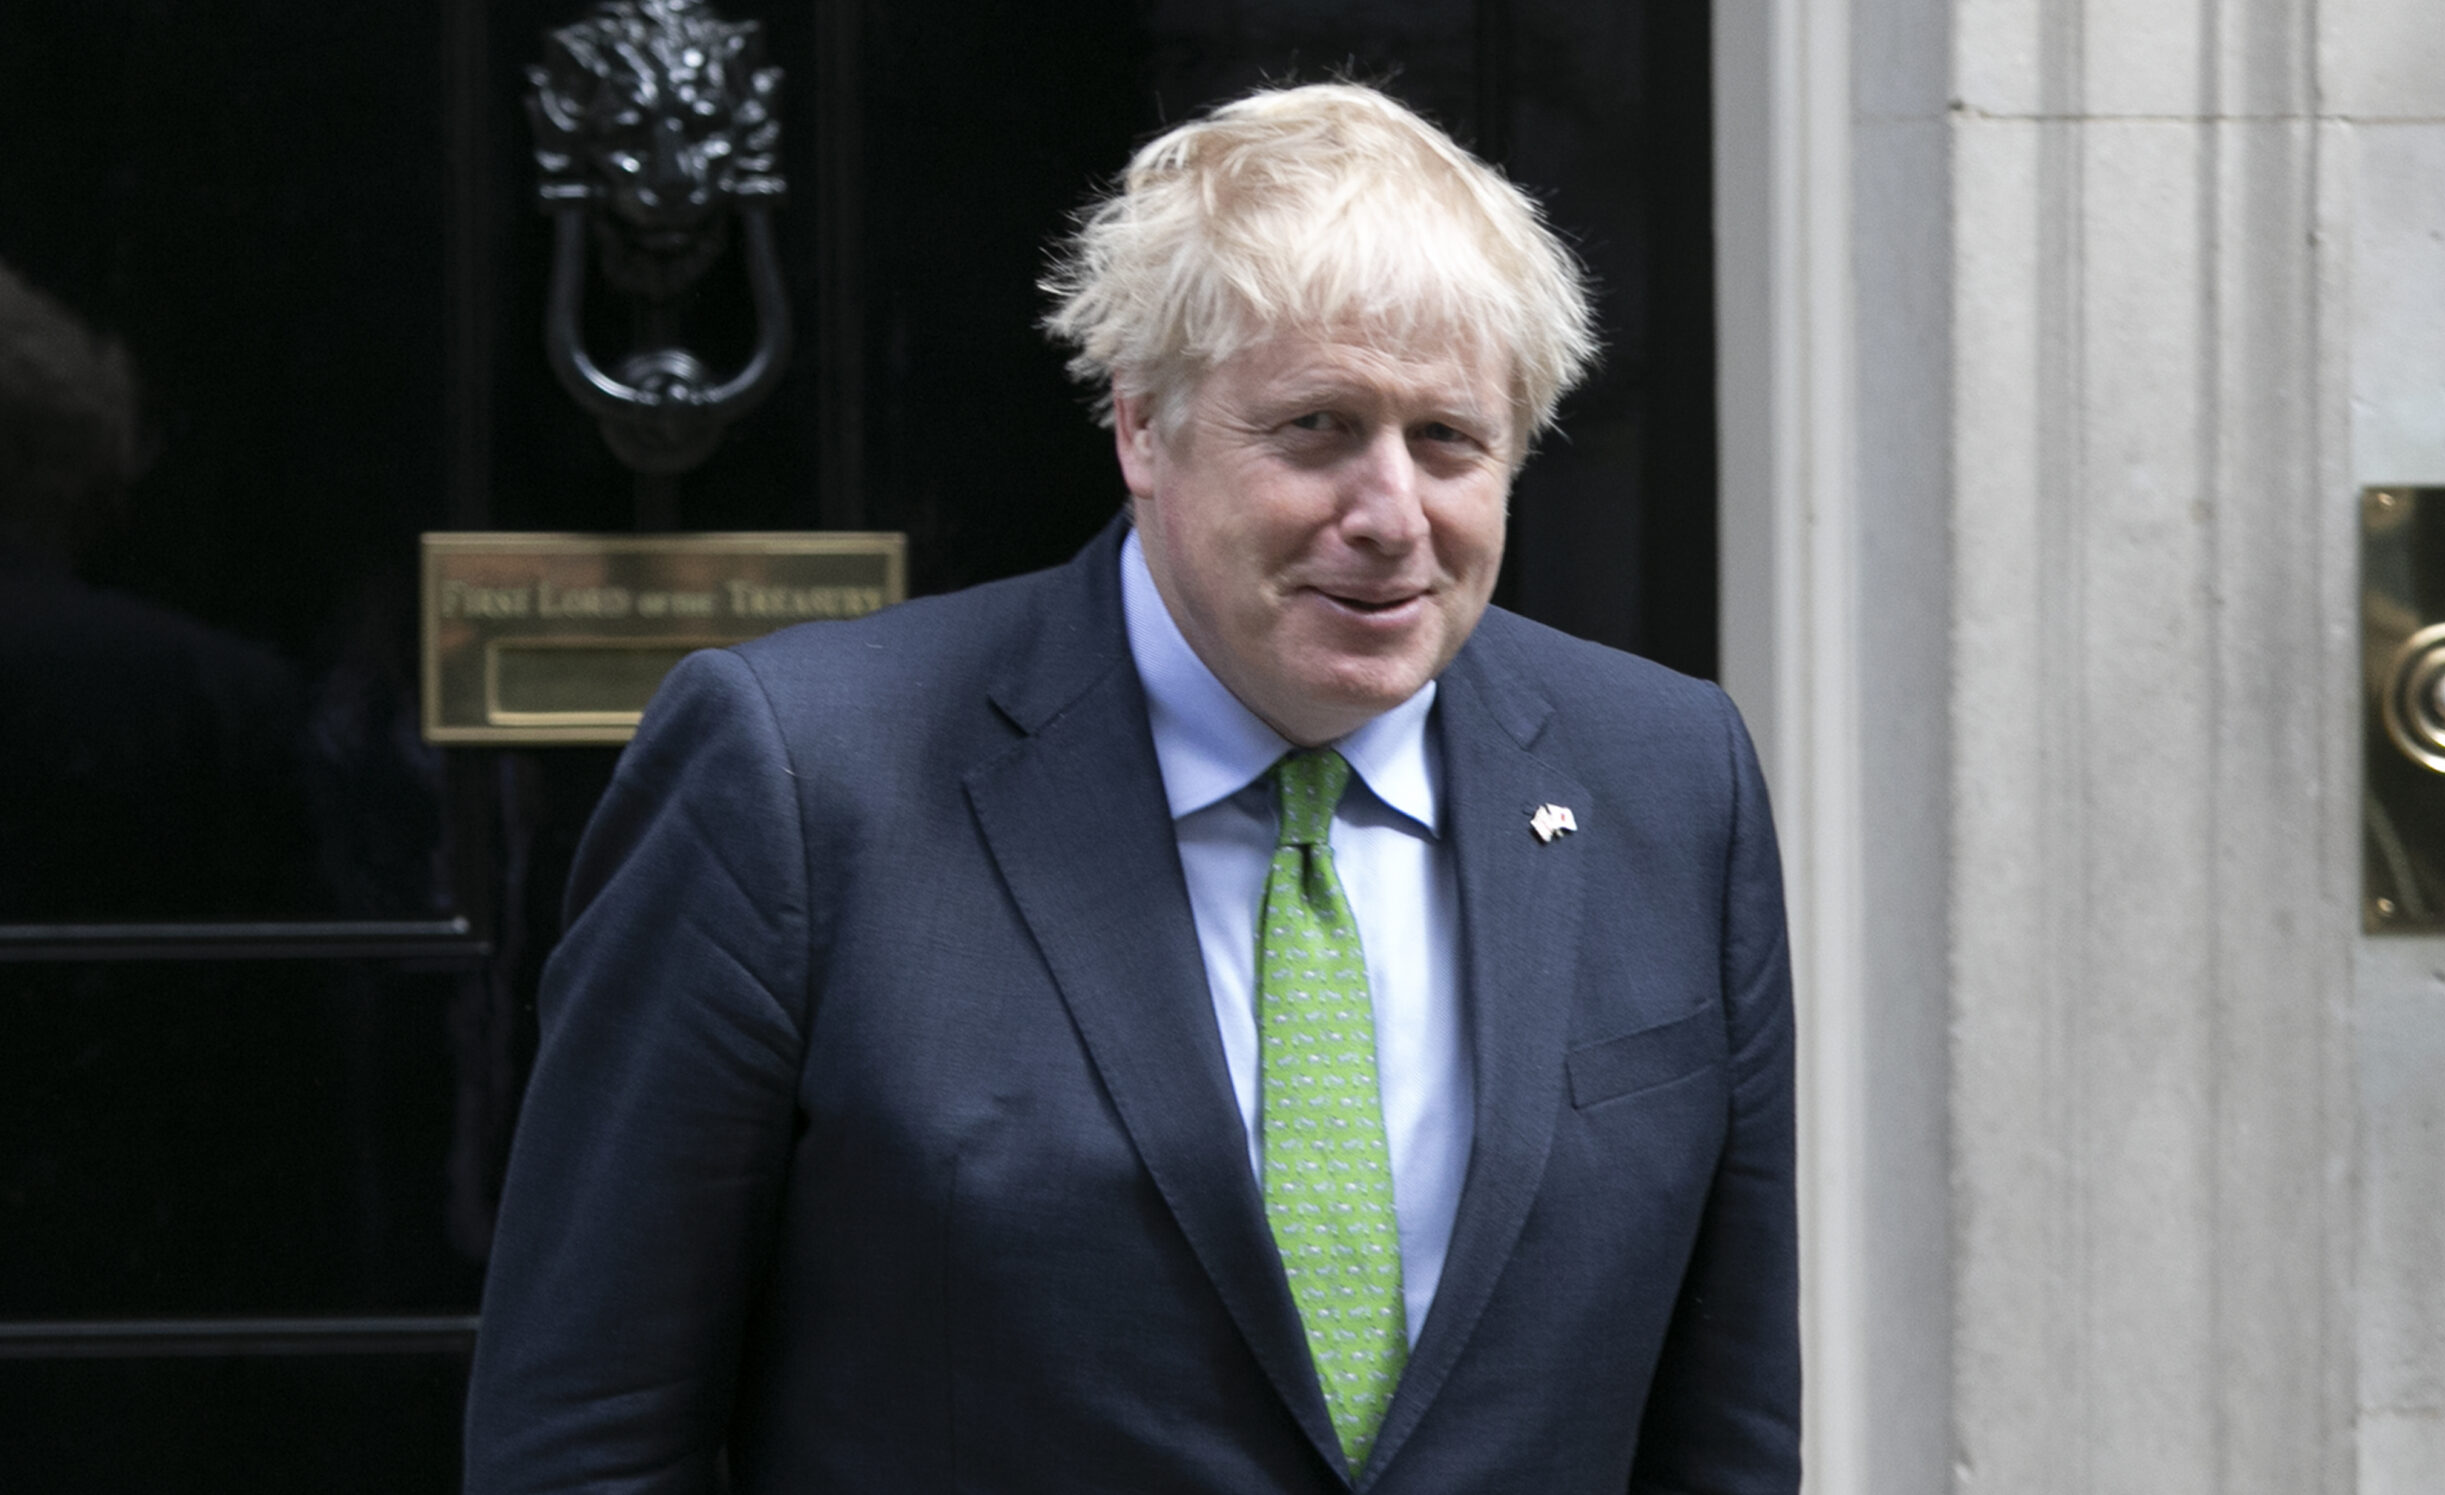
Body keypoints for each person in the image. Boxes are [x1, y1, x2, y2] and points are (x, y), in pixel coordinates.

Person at [464, 84, 1797, 1493]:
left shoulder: (1670, 778)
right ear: (1142, 430)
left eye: (1450, 440)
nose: (1394, 513)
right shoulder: (800, 779)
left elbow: (1727, 1432)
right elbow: (587, 1437)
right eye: (1316, 427)